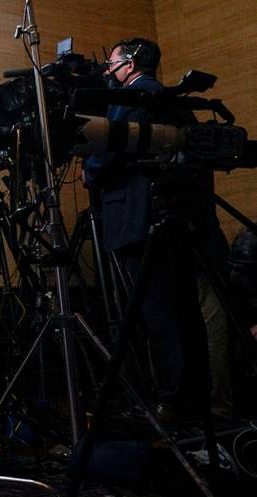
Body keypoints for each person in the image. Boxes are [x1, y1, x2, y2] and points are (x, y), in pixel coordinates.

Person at [83, 37, 211, 421]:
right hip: (173, 218)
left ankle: (172, 401)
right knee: (182, 310)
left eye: (113, 63)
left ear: (131, 64)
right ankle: (191, 397)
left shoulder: (136, 97)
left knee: (158, 313)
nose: (108, 70)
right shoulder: (168, 97)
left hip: (138, 219)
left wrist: (89, 168)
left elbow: (112, 149)